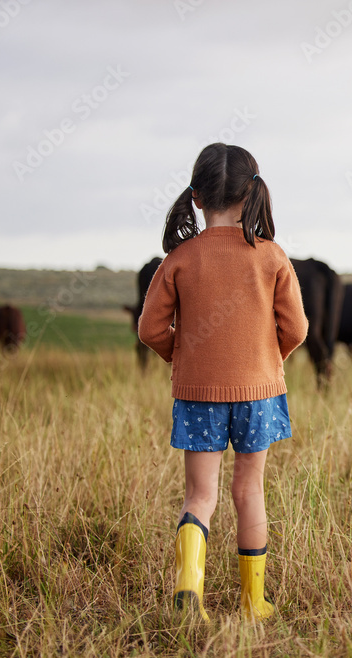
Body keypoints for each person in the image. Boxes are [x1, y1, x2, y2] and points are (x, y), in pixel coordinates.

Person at [138, 143, 308, 622]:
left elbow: (150, 329)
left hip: (197, 396)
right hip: (260, 394)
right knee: (249, 491)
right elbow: (296, 329)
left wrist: (187, 360)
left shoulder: (179, 259)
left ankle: (189, 591)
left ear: (196, 197)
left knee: (200, 496)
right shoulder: (272, 257)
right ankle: (254, 603)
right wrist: (265, 363)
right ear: (252, 193)